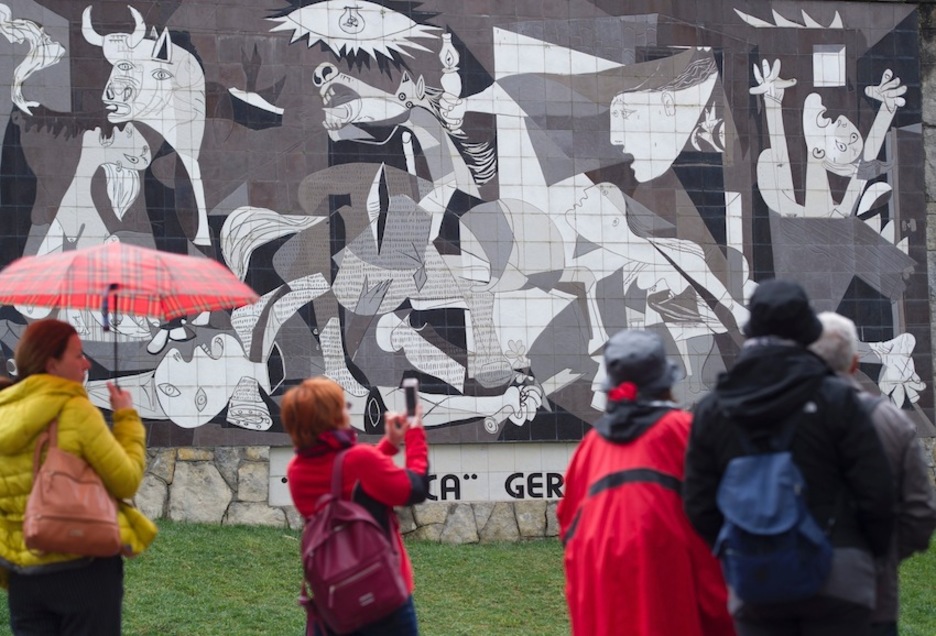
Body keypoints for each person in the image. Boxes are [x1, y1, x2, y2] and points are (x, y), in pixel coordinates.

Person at [684, 279, 896, 636]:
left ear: (751, 332)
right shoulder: (838, 400)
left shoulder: (713, 409)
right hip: (839, 575)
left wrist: (743, 546)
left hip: (756, 578)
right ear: (807, 333)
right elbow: (877, 492)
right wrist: (863, 554)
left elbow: (699, 504)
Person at [557, 329, 735, 636]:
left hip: (604, 588)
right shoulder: (685, 432)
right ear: (666, 385)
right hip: (672, 581)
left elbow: (568, 526)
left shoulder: (591, 447)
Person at [0, 318, 157, 635]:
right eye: (77, 355)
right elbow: (126, 480)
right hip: (82, 568)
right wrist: (126, 417)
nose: (86, 362)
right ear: (52, 363)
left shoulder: (4, 410)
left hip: (22, 574)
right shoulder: (75, 410)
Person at [809, 311, 936, 636]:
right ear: (853, 363)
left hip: (790, 590)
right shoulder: (892, 423)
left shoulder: (774, 419)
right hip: (869, 592)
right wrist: (882, 556)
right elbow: (920, 514)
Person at [282, 376, 429, 636]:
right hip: (386, 593)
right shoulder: (360, 460)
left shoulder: (296, 471)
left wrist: (389, 445)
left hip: (338, 600)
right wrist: (415, 432)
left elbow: (346, 483)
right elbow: (415, 488)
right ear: (328, 418)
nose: (346, 410)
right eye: (341, 406)